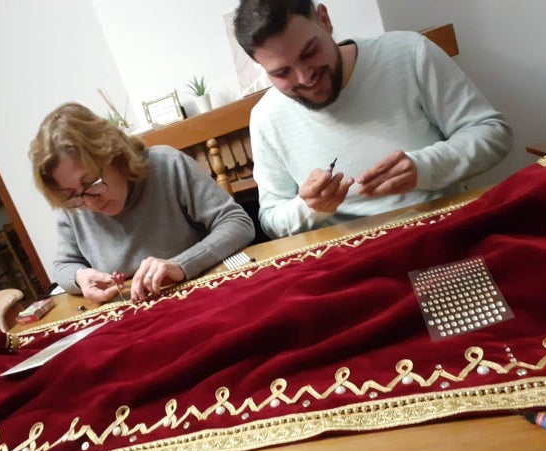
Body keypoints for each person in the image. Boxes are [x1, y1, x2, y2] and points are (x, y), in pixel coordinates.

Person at [233, 0, 512, 239]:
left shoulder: (408, 53)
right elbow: (270, 220)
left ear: (325, 20)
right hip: (351, 258)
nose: (305, 78)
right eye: (282, 72)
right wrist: (309, 208)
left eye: (310, 53)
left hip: (444, 231)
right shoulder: (266, 118)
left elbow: (493, 133)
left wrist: (423, 167)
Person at [29, 102, 255, 304]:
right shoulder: (73, 202)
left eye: (91, 183)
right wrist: (80, 277)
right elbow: (63, 266)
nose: (89, 202)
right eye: (72, 194)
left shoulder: (166, 164)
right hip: (129, 313)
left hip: (195, 298)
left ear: (115, 155)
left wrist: (181, 265)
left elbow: (237, 223)